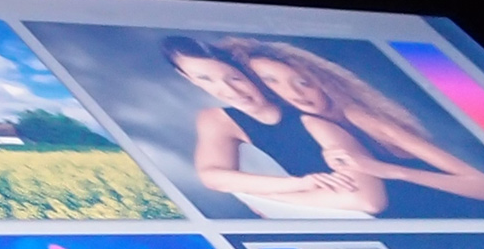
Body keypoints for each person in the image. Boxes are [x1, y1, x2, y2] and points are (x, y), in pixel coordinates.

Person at [218, 37, 484, 217]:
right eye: (272, 81)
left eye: (303, 82)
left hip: (455, 218)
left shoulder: (359, 117)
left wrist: (391, 171)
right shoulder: (299, 128)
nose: (294, 93)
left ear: (322, 81)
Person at [161, 36, 387, 216]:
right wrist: (298, 184)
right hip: (333, 212)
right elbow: (213, 177)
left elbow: (368, 201)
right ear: (188, 78)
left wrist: (274, 198)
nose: (229, 91)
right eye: (204, 79)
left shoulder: (313, 119)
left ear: (251, 74)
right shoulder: (217, 119)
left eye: (235, 78)